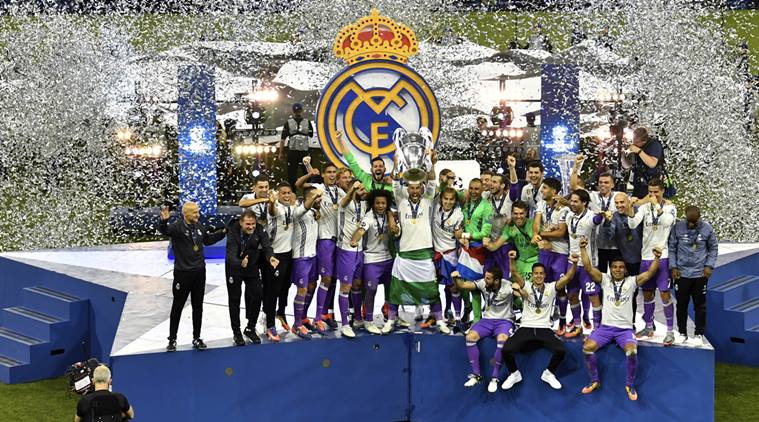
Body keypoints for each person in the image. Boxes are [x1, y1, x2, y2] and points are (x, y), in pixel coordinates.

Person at [579, 238, 663, 401]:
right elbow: (588, 268)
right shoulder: (605, 280)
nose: (617, 270)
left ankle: (629, 385)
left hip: (624, 330)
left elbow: (650, 273)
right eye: (615, 267)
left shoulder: (632, 282)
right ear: (610, 269)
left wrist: (657, 257)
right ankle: (594, 380)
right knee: (587, 348)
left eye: (621, 268)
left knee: (632, 351)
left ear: (625, 270)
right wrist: (583, 248)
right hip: (605, 329)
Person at [386, 151, 445, 334]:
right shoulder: (401, 200)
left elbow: (433, 181)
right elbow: (395, 183)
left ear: (421, 188)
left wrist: (433, 165)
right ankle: (390, 320)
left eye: (418, 188)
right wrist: (396, 164)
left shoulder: (428, 200)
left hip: (424, 252)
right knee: (396, 289)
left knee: (432, 289)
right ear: (407, 189)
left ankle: (440, 320)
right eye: (411, 188)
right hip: (404, 253)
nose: (414, 191)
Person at [501, 253, 578, 391]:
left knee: (561, 350)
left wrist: (575, 264)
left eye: (541, 273)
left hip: (544, 328)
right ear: (532, 275)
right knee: (506, 350)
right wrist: (511, 259)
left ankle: (548, 373)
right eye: (536, 273)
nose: (538, 276)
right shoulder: (526, 285)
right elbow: (513, 272)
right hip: (526, 327)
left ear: (545, 275)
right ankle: (514, 374)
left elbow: (568, 277)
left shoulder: (551, 288)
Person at [159, 202, 226, 352]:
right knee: (178, 306)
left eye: (198, 212)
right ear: (186, 214)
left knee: (198, 306)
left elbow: (207, 240)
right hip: (183, 273)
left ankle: (197, 337)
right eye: (195, 212)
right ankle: (172, 339)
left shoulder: (199, 227)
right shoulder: (176, 227)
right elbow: (165, 231)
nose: (198, 214)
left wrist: (223, 232)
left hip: (199, 272)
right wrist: (163, 220)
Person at [627, 178, 677, 345]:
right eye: (650, 192)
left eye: (656, 192)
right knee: (647, 293)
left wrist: (656, 205)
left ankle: (670, 331)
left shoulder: (670, 207)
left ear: (662, 191)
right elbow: (633, 224)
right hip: (646, 256)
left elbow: (667, 223)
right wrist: (630, 208)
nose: (653, 195)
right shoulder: (644, 208)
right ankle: (649, 326)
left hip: (662, 256)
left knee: (664, 293)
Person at [453, 266, 514, 393]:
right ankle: (476, 375)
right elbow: (463, 285)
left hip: (505, 321)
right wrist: (455, 278)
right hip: (487, 321)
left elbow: (523, 294)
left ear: (496, 281)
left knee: (502, 340)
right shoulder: (483, 283)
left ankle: (495, 377)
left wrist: (520, 290)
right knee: (470, 337)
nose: (485, 280)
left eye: (488, 278)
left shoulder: (508, 287)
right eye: (485, 277)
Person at [298, 163, 343, 332]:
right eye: (329, 172)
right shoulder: (318, 187)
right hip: (322, 240)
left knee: (330, 280)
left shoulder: (340, 191)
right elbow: (299, 185)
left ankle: (323, 314)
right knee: (319, 280)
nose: (332, 175)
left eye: (334, 172)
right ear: (323, 174)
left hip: (337, 241)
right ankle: (312, 317)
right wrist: (310, 174)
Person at [225, 210, 279, 346]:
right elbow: (230, 254)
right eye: (248, 224)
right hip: (234, 268)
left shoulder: (259, 229)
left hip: (251, 267)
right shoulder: (233, 230)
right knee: (234, 299)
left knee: (258, 294)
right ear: (241, 222)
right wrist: (239, 262)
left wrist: (270, 257)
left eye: (253, 224)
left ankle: (250, 327)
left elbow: (267, 246)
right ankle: (236, 332)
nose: (251, 227)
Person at [668, 205, 718, 344]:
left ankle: (699, 334)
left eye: (693, 221)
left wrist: (709, 265)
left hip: (699, 274)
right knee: (681, 305)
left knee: (700, 305)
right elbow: (671, 248)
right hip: (681, 274)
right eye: (688, 221)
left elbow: (713, 248)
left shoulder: (707, 228)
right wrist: (673, 266)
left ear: (699, 217)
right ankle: (682, 332)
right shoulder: (677, 227)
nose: (691, 224)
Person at [350, 189, 397, 335]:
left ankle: (392, 318)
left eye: (383, 203)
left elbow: (396, 231)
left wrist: (393, 225)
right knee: (371, 290)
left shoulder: (391, 215)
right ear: (372, 203)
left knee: (392, 290)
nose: (380, 206)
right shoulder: (368, 217)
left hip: (389, 258)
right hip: (371, 259)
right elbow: (360, 230)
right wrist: (355, 239)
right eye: (377, 203)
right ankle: (368, 320)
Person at [531, 177, 571, 334]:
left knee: (560, 288)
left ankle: (562, 321)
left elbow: (561, 232)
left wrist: (542, 233)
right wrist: (536, 234)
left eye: (545, 188)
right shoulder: (540, 204)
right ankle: (544, 318)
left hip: (560, 252)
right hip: (545, 251)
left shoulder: (563, 209)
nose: (541, 190)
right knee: (543, 286)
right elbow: (536, 223)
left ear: (554, 192)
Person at [564, 189, 605, 337]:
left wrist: (601, 215)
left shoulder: (591, 217)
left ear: (584, 203)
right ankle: (576, 325)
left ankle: (597, 328)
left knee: (593, 297)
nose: (572, 204)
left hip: (589, 265)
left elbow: (597, 220)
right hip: (572, 263)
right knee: (572, 295)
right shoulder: (569, 216)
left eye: (576, 201)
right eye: (571, 201)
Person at [572, 161, 621, 273]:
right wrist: (576, 167)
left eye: (606, 182)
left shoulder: (619, 196)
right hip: (598, 245)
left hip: (616, 245)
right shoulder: (592, 196)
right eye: (600, 182)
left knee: (618, 274)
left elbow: (636, 203)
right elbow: (574, 186)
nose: (603, 184)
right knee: (601, 276)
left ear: (612, 185)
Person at [456, 178, 494, 324]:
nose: (473, 191)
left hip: (478, 250)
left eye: (476, 189)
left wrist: (467, 236)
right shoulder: (466, 203)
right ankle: (469, 307)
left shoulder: (487, 207)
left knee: (475, 286)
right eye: (471, 188)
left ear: (482, 189)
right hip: (465, 248)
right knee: (461, 282)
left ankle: (478, 319)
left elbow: (486, 232)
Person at [334, 180, 368, 338]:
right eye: (359, 188)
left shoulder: (365, 204)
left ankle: (358, 318)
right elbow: (345, 200)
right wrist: (351, 190)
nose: (362, 191)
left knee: (357, 284)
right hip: (345, 250)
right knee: (345, 286)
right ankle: (345, 323)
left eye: (363, 188)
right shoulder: (344, 204)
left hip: (360, 250)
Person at [290, 187, 324, 340]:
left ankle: (303, 318)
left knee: (312, 286)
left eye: (319, 197)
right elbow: (302, 208)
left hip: (313, 256)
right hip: (300, 257)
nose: (319, 199)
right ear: (306, 199)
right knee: (302, 290)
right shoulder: (298, 212)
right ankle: (296, 324)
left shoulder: (313, 213)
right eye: (315, 197)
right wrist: (312, 198)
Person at [430, 187, 465, 328]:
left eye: (451, 199)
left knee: (454, 287)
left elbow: (458, 234)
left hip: (450, 255)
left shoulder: (458, 215)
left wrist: (461, 236)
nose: (448, 202)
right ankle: (435, 315)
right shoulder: (434, 208)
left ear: (455, 201)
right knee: (432, 287)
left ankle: (456, 318)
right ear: (441, 199)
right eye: (446, 199)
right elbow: (433, 186)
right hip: (435, 254)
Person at [265, 183, 296, 342]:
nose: (286, 195)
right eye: (283, 193)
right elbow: (272, 211)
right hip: (274, 255)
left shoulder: (293, 207)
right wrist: (271, 202)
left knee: (285, 287)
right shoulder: (274, 206)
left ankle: (281, 312)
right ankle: (270, 324)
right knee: (273, 291)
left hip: (288, 254)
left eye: (288, 193)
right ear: (278, 194)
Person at [485, 200, 539, 282]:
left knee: (527, 289)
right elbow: (494, 247)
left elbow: (547, 244)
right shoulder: (509, 227)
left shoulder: (533, 225)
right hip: (520, 263)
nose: (518, 216)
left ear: (526, 213)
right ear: (511, 213)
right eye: (515, 213)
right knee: (515, 288)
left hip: (534, 261)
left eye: (521, 213)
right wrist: (486, 242)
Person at [279, 103, 314, 187]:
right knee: (307, 173)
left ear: (293, 111)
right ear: (301, 110)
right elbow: (311, 134)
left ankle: (293, 191)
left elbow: (282, 139)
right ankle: (307, 191)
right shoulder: (307, 122)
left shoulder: (288, 122)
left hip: (293, 151)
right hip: (303, 151)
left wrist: (281, 152)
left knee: (292, 174)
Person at [626, 127, 664, 199]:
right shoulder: (634, 145)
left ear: (644, 141)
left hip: (652, 182)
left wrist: (639, 151)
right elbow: (627, 165)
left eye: (637, 142)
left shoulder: (654, 145)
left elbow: (652, 164)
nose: (634, 143)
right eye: (633, 140)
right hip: (638, 183)